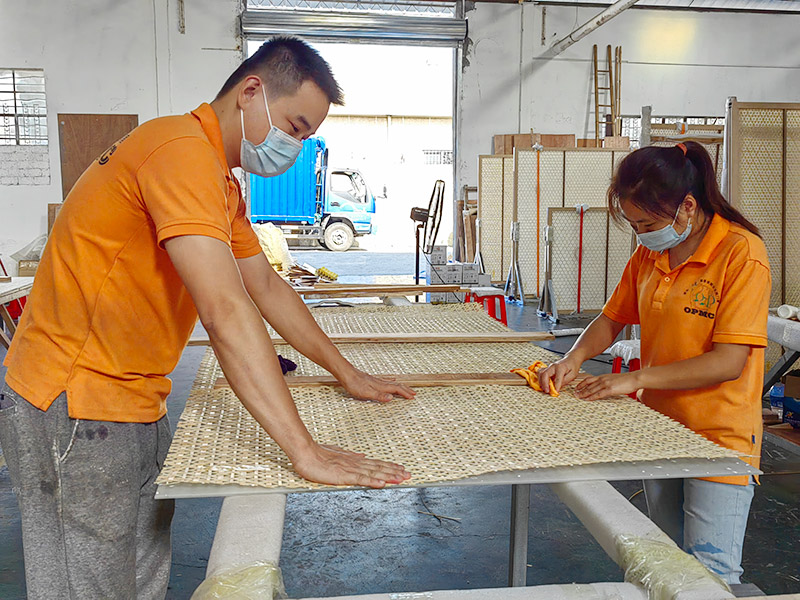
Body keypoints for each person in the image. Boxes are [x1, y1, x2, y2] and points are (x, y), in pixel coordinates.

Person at [0, 36, 415, 599]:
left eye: (305, 138)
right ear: (251, 92)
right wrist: (305, 451)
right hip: (74, 399)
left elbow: (266, 286)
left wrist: (348, 373)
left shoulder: (219, 182)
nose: (295, 147)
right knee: (89, 585)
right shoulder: (179, 151)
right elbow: (224, 309)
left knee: (140, 571)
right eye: (294, 128)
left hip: (134, 395)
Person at [538, 141, 770, 585]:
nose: (641, 235)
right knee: (664, 559)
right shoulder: (651, 253)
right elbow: (611, 319)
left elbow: (728, 362)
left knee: (709, 575)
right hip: (660, 428)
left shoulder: (741, 253)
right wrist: (573, 358)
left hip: (720, 435)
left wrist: (635, 379)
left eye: (647, 224)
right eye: (634, 225)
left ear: (688, 206)